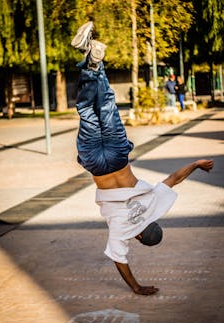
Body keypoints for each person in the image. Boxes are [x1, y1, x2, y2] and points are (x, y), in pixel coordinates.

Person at [71, 22, 214, 296]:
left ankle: (96, 64)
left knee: (107, 105)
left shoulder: (154, 206)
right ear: (139, 235)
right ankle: (92, 65)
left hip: (118, 157)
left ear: (152, 223)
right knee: (87, 110)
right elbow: (119, 260)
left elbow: (174, 179)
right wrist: (136, 287)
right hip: (95, 165)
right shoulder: (123, 231)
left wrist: (196, 164)